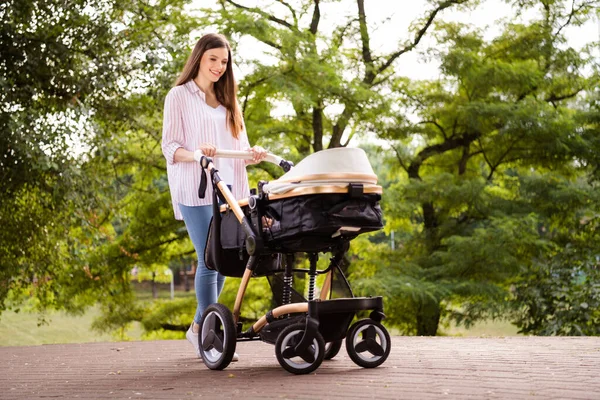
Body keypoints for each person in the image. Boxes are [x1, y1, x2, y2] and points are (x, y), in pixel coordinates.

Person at [161, 33, 267, 361]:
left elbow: (240, 151)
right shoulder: (178, 96)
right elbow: (170, 147)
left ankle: (199, 328)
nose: (219, 67)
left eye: (224, 62)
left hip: (229, 187)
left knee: (224, 263)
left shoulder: (229, 102)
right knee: (209, 261)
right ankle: (211, 335)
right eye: (213, 60)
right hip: (196, 186)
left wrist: (255, 153)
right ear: (199, 58)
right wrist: (195, 155)